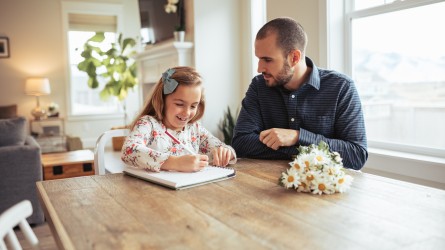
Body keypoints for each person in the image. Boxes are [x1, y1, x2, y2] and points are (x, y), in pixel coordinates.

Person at [232, 17, 367, 170]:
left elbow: (356, 155)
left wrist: (297, 137)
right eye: (258, 59)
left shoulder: (342, 87)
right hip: (269, 187)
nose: (259, 68)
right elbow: (241, 143)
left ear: (294, 57)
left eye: (267, 60)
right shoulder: (259, 86)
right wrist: (302, 148)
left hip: (324, 189)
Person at [122, 66, 236, 172]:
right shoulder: (148, 124)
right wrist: (176, 163)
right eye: (179, 104)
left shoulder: (194, 129)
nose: (186, 113)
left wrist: (226, 153)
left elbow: (221, 148)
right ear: (162, 100)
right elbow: (129, 151)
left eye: (193, 106)